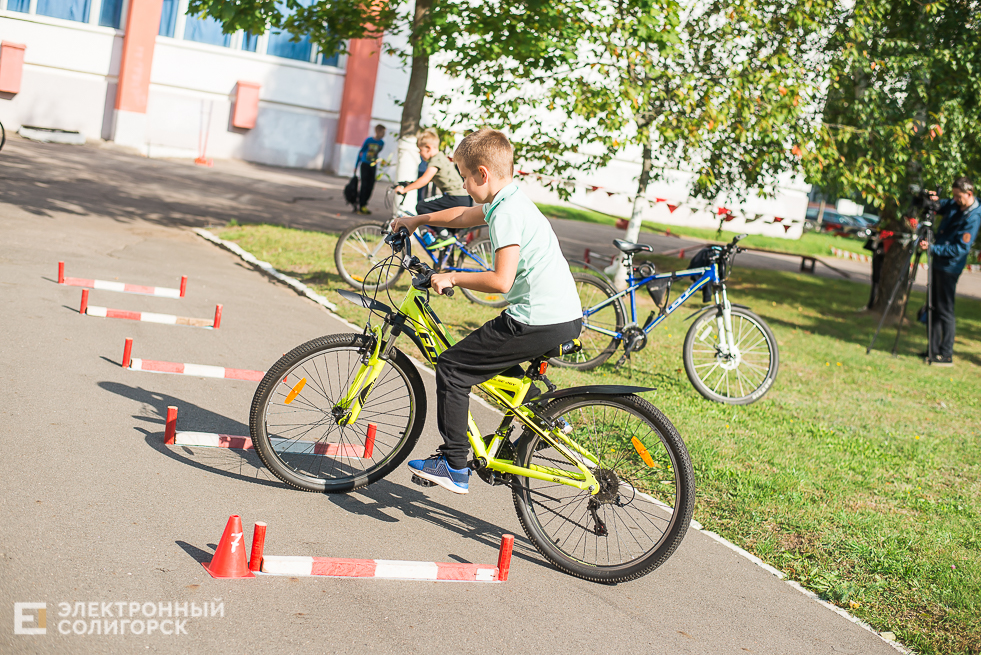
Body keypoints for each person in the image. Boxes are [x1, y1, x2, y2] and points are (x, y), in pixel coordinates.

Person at [390, 128, 582, 494]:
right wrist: (419, 220)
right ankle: (549, 421)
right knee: (489, 365)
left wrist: (453, 277)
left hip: (536, 318)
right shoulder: (508, 201)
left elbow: (501, 281)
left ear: (482, 174)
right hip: (560, 315)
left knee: (453, 367)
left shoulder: (506, 213)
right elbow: (464, 214)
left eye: (464, 176)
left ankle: (453, 464)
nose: (463, 183)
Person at [918, 176, 981, 366]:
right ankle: (933, 349)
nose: (954, 199)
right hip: (938, 263)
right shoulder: (955, 204)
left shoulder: (974, 216)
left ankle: (946, 353)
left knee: (945, 310)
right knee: (933, 306)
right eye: (953, 196)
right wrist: (933, 201)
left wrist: (932, 248)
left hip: (950, 267)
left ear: (969, 194)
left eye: (958, 196)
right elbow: (942, 206)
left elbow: (960, 249)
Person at [394, 129, 473, 216]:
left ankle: (440, 230)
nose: (420, 153)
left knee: (421, 206)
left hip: (454, 197)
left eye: (420, 150)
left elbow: (425, 180)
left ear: (428, 148)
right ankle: (443, 230)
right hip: (461, 198)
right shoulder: (440, 157)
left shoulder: (435, 160)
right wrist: (409, 183)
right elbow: (428, 178)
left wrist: (404, 190)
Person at [354, 124, 386, 214]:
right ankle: (360, 205)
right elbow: (361, 152)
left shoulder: (382, 143)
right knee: (364, 185)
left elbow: (377, 154)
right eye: (383, 132)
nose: (384, 134)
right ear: (378, 131)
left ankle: (364, 204)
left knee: (370, 185)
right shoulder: (369, 140)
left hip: (373, 165)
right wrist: (356, 165)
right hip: (365, 164)